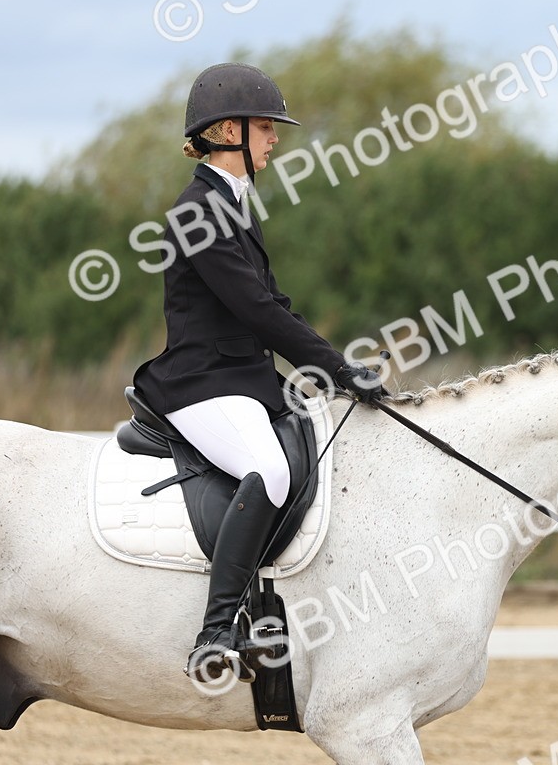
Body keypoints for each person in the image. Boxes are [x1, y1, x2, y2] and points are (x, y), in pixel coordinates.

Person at [132, 62, 382, 682]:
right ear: (226, 132)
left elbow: (273, 305)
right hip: (201, 381)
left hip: (243, 377)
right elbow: (256, 310)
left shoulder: (236, 204)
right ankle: (216, 631)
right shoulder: (198, 213)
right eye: (266, 127)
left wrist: (333, 366)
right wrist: (338, 368)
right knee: (266, 469)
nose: (275, 138)